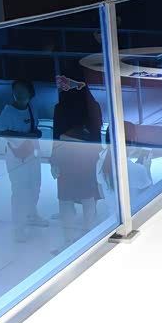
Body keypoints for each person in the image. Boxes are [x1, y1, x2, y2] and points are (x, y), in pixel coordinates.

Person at [50, 75, 103, 254]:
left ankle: (87, 237)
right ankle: (70, 240)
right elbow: (56, 136)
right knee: (68, 199)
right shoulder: (61, 107)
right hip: (69, 158)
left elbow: (95, 135)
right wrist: (54, 159)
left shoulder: (90, 106)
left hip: (83, 158)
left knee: (85, 198)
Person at [0, 80, 46, 242]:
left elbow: (34, 128)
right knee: (19, 191)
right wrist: (26, 136)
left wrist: (35, 134)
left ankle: (32, 215)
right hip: (16, 156)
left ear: (30, 93)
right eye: (16, 90)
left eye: (22, 90)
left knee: (35, 185)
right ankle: (18, 228)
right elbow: (0, 132)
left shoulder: (32, 108)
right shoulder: (8, 112)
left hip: (32, 153)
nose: (19, 93)